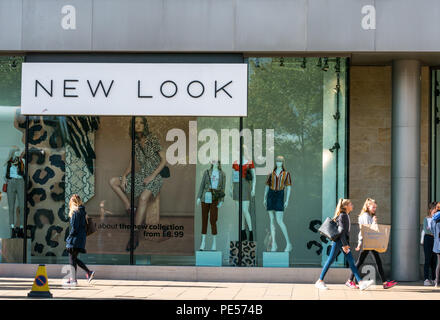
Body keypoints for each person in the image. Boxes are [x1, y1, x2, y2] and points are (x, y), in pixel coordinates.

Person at [109, 117, 167, 251]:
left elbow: (164, 161)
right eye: (136, 123)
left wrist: (151, 177)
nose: (139, 125)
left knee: (143, 198)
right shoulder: (135, 143)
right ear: (133, 126)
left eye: (141, 123)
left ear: (145, 126)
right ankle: (129, 207)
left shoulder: (152, 139)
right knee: (113, 181)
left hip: (155, 177)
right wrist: (124, 176)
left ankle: (134, 235)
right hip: (142, 176)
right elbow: (132, 163)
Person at [315, 198, 374, 290]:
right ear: (346, 206)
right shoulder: (343, 216)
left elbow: (343, 232)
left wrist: (345, 244)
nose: (352, 206)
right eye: (350, 204)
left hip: (341, 242)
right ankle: (320, 281)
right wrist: (345, 245)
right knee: (331, 260)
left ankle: (361, 282)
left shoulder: (345, 215)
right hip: (339, 242)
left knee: (351, 262)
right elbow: (341, 232)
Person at [345, 198, 397, 289]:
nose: (374, 209)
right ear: (368, 206)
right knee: (370, 261)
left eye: (375, 207)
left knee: (363, 261)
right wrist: (374, 222)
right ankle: (384, 283)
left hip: (369, 242)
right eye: (373, 207)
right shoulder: (365, 216)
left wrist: (360, 242)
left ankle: (350, 280)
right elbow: (367, 230)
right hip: (368, 242)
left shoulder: (367, 215)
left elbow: (364, 231)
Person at [65, 194, 95, 287]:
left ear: (72, 203)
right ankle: (82, 275)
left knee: (72, 259)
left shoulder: (75, 212)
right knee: (74, 259)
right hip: (81, 238)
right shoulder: (82, 212)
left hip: (75, 239)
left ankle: (75, 278)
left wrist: (69, 238)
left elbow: (75, 227)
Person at [422, 202, 438, 286]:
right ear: (431, 210)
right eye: (434, 210)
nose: (435, 212)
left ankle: (434, 278)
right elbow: (426, 229)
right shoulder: (426, 219)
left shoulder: (437, 219)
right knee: (427, 259)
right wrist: (434, 232)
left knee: (434, 260)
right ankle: (426, 279)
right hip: (428, 239)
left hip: (435, 240)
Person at [430, 203, 440, 288]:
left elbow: (432, 232)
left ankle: (437, 281)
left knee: (439, 263)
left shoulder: (433, 219)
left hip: (437, 244)